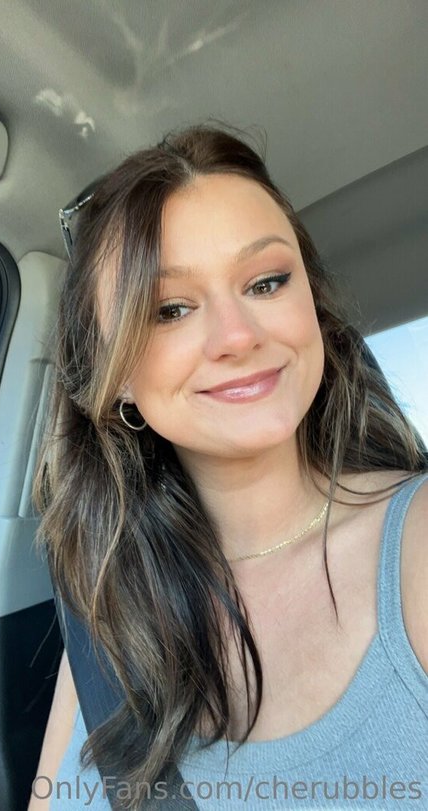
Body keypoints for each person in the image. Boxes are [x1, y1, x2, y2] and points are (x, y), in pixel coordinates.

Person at [28, 124, 428, 811]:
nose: (238, 336)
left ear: (312, 308)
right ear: (115, 376)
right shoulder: (104, 603)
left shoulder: (416, 545)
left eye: (266, 282)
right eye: (170, 309)